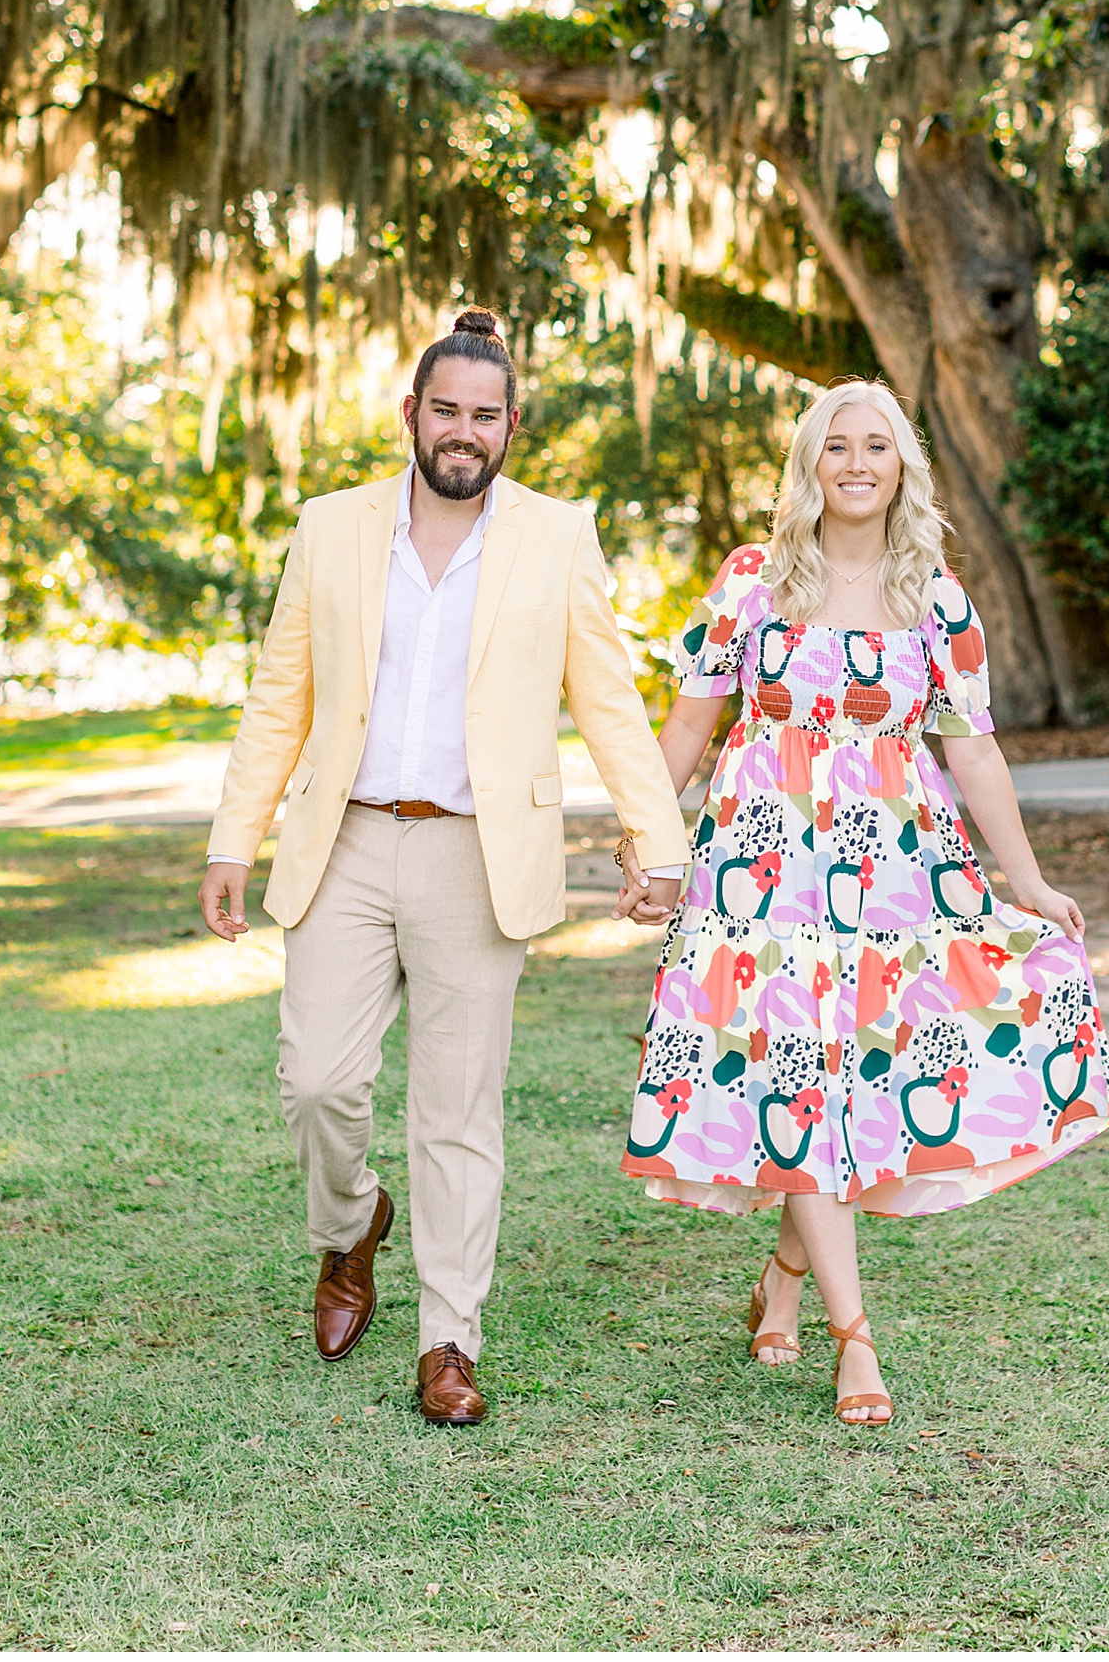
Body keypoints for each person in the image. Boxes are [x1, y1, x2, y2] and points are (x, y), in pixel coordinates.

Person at [200, 309, 687, 1425]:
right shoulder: (331, 526)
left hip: (479, 849)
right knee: (318, 1080)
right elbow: (283, 695)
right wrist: (236, 835)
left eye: (486, 414)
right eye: (447, 410)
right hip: (347, 841)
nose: (465, 431)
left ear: (512, 425)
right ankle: (349, 1225)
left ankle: (448, 1337)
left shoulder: (558, 536)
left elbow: (609, 703)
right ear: (412, 414)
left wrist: (654, 844)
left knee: (459, 1110)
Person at [615, 378, 1109, 1427]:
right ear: (809, 463)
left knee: (859, 1086)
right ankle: (858, 1343)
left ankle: (787, 1279)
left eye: (875, 445)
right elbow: (685, 728)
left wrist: (1024, 875)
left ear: (902, 466)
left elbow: (970, 745)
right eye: (835, 444)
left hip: (896, 873)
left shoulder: (935, 593)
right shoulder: (753, 580)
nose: (854, 462)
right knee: (800, 1075)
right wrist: (641, 839)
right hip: (760, 874)